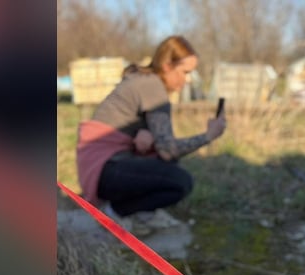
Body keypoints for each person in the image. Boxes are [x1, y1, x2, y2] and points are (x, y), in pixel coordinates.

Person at [76, 35, 226, 229]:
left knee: (169, 164)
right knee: (181, 182)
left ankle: (140, 212)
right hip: (103, 170)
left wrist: (146, 133)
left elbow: (160, 145)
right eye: (185, 72)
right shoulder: (153, 87)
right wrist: (208, 136)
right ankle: (116, 213)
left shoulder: (143, 80)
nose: (187, 80)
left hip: (99, 166)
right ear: (166, 66)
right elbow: (168, 149)